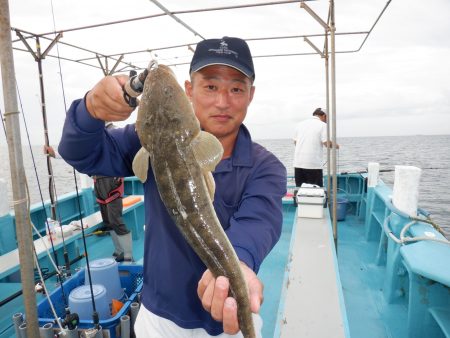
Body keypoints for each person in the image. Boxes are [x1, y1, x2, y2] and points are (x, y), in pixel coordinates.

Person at [58, 36, 286, 337]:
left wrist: (240, 263)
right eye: (210, 86)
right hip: (159, 313)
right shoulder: (144, 139)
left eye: (236, 88)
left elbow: (260, 221)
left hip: (226, 316)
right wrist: (90, 110)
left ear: (250, 95)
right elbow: (80, 153)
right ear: (189, 91)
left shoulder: (266, 166)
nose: (222, 101)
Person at [45, 135, 133, 263]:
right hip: (98, 183)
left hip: (112, 182)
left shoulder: (112, 133)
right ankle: (119, 251)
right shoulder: (90, 139)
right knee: (108, 222)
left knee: (116, 220)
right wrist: (55, 154)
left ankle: (128, 256)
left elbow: (124, 152)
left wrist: (122, 172)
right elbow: (77, 156)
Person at [293, 108, 339, 188]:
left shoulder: (300, 124)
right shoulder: (323, 125)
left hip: (298, 164)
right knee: (315, 193)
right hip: (313, 165)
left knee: (300, 191)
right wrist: (336, 146)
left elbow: (295, 142)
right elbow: (327, 143)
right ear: (324, 116)